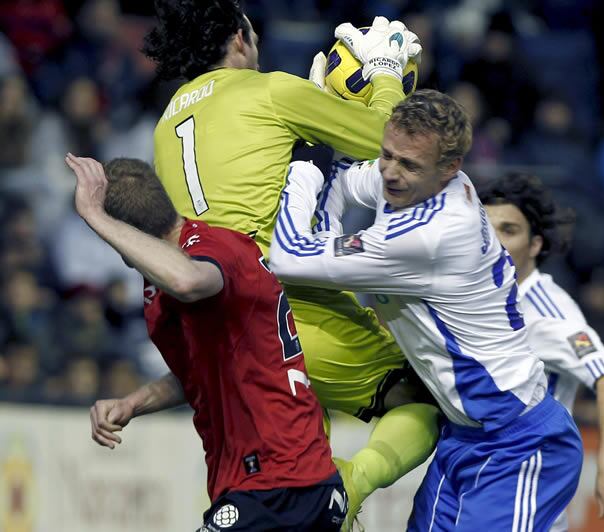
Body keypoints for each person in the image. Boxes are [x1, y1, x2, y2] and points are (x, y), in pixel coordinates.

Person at [143, 1, 438, 527]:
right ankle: (352, 485)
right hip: (283, 306)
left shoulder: (164, 127)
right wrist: (388, 76)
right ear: (239, 39)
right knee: (421, 396)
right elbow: (387, 140)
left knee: (295, 475)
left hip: (217, 331)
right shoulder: (270, 90)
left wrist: (317, 110)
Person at [268, 89, 584, 531]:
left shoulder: (432, 235)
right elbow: (340, 179)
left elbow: (288, 256)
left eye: (408, 164)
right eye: (386, 155)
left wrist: (303, 171)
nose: (390, 174)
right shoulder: (421, 184)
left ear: (449, 168)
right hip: (464, 434)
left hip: (518, 441)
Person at [67, 154, 346, 532]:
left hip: (279, 483)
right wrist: (134, 402)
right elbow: (198, 372)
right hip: (268, 483)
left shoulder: (213, 250)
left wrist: (95, 215)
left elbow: (190, 281)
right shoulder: (161, 277)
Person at [480, 173, 604, 531]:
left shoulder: (546, 311)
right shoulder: (478, 297)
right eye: (487, 230)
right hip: (472, 470)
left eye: (509, 230)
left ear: (535, 245)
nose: (496, 243)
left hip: (522, 480)